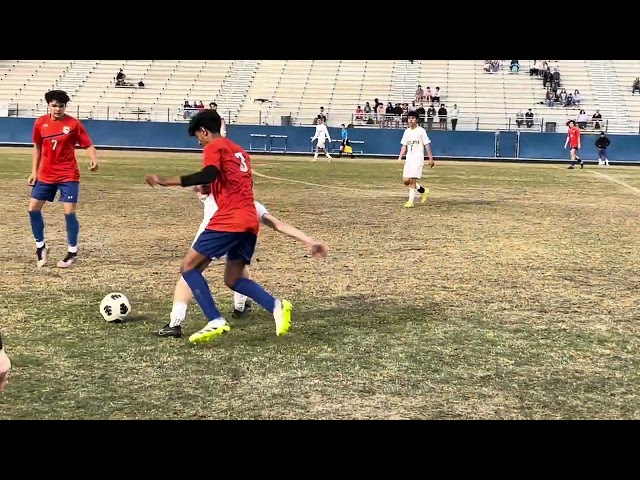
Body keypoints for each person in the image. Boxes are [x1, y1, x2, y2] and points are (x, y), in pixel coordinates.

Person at [145, 109, 292, 344]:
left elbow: (210, 174)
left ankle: (215, 319)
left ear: (204, 131)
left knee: (188, 267)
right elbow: (230, 181)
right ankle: (276, 306)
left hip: (229, 219)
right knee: (233, 279)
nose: (199, 142)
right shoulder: (240, 151)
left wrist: (166, 181)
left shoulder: (213, 147)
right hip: (249, 220)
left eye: (198, 137)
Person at [158, 192, 328, 338]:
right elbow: (278, 224)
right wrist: (309, 240)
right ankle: (241, 307)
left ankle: (175, 323)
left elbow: (200, 185)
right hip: (240, 234)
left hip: (213, 236)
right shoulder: (252, 206)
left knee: (189, 273)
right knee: (238, 275)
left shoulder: (215, 196)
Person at [28, 90, 99, 268]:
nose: (58, 109)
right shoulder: (40, 123)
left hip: (68, 174)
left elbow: (88, 144)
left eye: (61, 106)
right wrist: (34, 172)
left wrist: (93, 159)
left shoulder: (74, 124)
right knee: (33, 208)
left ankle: (72, 252)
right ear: (48, 106)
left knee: (69, 212)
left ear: (65, 107)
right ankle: (40, 247)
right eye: (54, 105)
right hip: (46, 174)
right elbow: (37, 147)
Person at [397, 111, 434, 208]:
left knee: (412, 181)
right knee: (406, 180)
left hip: (417, 159)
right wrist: (400, 157)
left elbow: (427, 144)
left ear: (416, 120)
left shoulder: (421, 131)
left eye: (413, 118)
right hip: (409, 159)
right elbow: (404, 145)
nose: (410, 120)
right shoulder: (407, 131)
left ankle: (410, 201)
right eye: (409, 118)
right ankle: (423, 190)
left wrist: (430, 158)